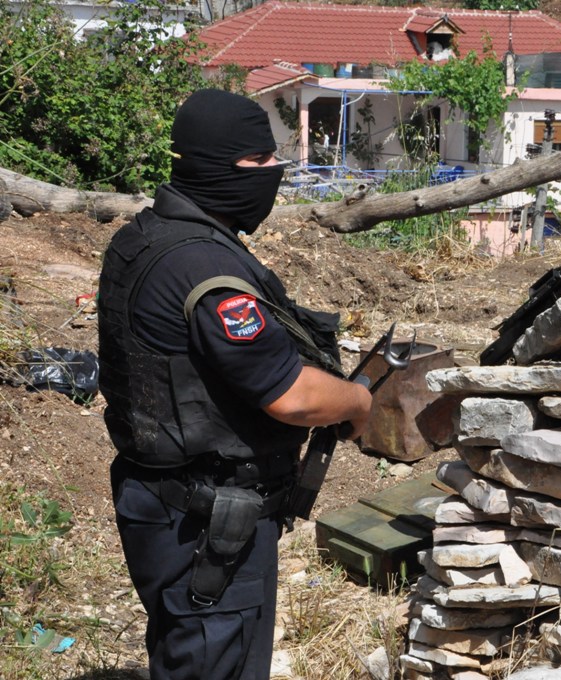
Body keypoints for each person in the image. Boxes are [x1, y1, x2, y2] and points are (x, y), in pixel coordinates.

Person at [97, 88, 372, 680]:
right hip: (208, 521)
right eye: (260, 161)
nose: (273, 173)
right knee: (215, 658)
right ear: (220, 166)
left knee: (184, 651)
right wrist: (358, 398)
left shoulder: (144, 236)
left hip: (165, 503)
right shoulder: (205, 270)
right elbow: (293, 396)